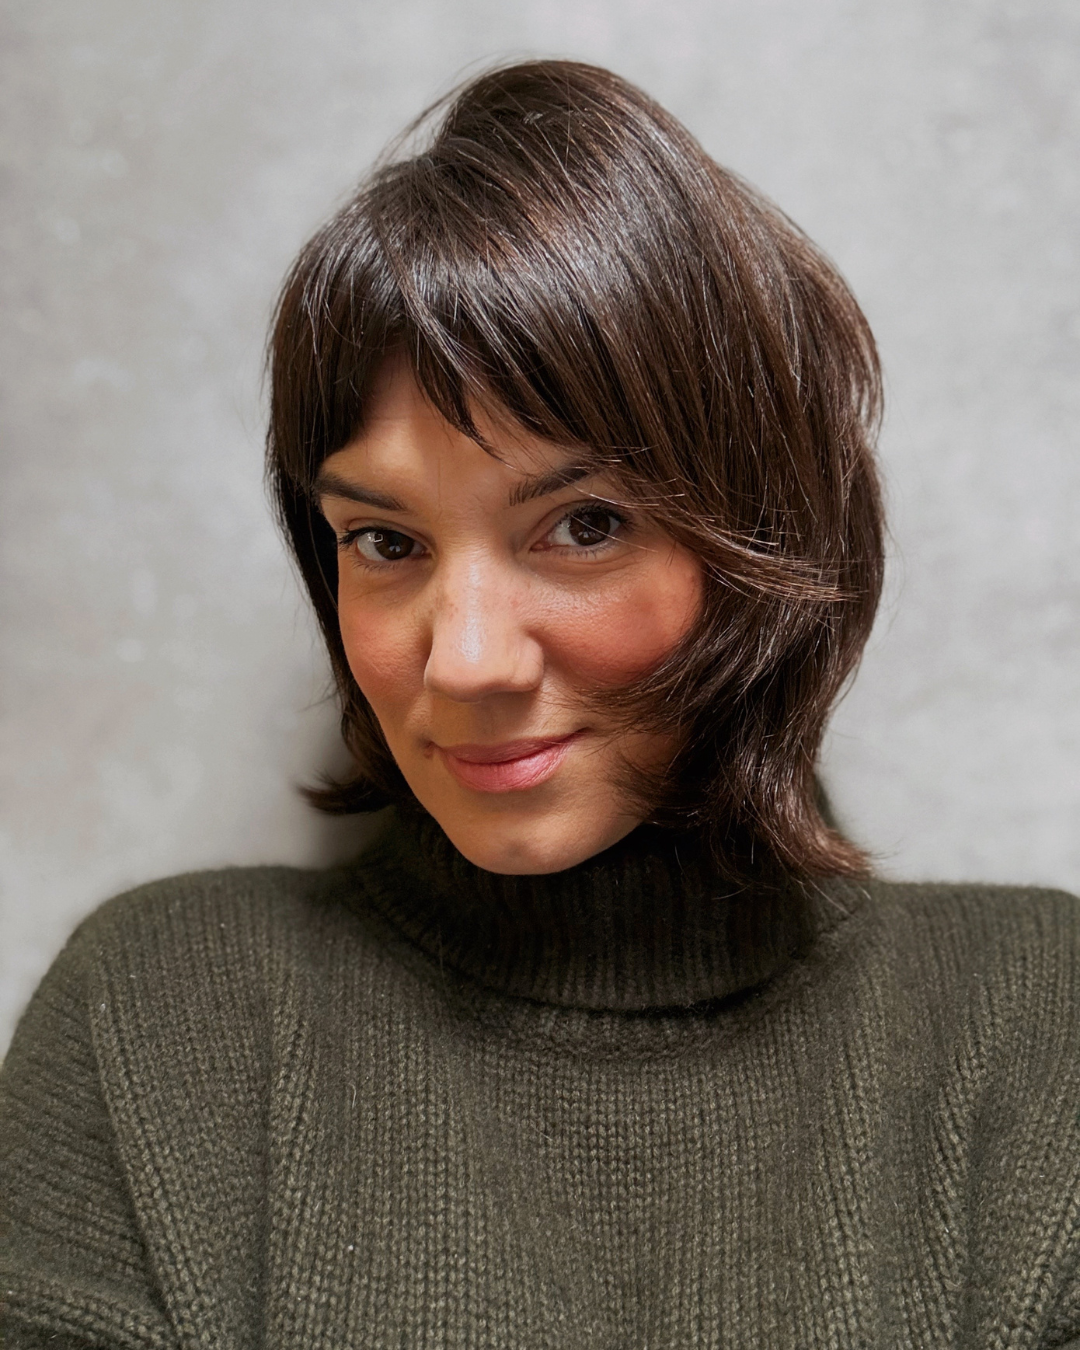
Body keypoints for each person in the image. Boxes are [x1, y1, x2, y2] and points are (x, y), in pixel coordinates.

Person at [2, 58, 1079, 1348]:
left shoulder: (1031, 1026)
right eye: (385, 543)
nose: (463, 661)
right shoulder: (160, 1024)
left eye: (582, 526)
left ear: (758, 540)